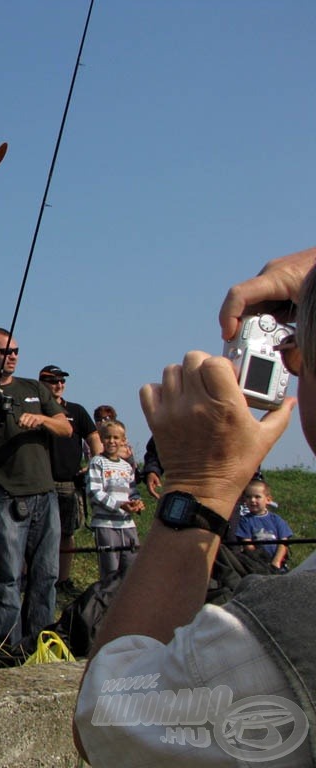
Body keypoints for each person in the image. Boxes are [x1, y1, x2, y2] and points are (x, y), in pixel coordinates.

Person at [74, 244, 316, 766]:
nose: (291, 362)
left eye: (298, 350)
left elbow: (110, 719)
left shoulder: (290, 628)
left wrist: (200, 486)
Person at [0, 328, 72, 661]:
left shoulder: (34, 388)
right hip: (7, 495)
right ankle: (8, 652)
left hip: (45, 493)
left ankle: (40, 648)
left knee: (46, 576)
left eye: (16, 351)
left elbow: (66, 427)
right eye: (5, 351)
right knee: (8, 578)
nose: (13, 356)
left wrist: (42, 420)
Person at [38, 364, 102, 595]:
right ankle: (30, 575)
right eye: (54, 381)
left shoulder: (76, 410)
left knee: (66, 533)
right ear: (42, 383)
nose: (59, 385)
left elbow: (93, 437)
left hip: (67, 481)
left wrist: (95, 464)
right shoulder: (36, 410)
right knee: (36, 533)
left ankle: (63, 579)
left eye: (62, 381)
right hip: (40, 480)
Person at [86, 419, 144, 581]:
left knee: (131, 569)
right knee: (110, 570)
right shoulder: (97, 462)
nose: (112, 441)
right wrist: (119, 506)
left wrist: (136, 503)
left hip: (127, 525)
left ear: (123, 441)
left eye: (116, 438)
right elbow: (94, 492)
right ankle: (107, 603)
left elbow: (132, 491)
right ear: (102, 439)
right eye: (107, 437)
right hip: (106, 524)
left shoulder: (126, 466)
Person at [236, 478, 292, 572]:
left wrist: (276, 561)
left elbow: (283, 543)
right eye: (248, 497)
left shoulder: (277, 520)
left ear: (268, 500)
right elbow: (248, 545)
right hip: (257, 564)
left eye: (257, 497)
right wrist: (260, 561)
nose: (252, 500)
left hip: (277, 564)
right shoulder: (244, 521)